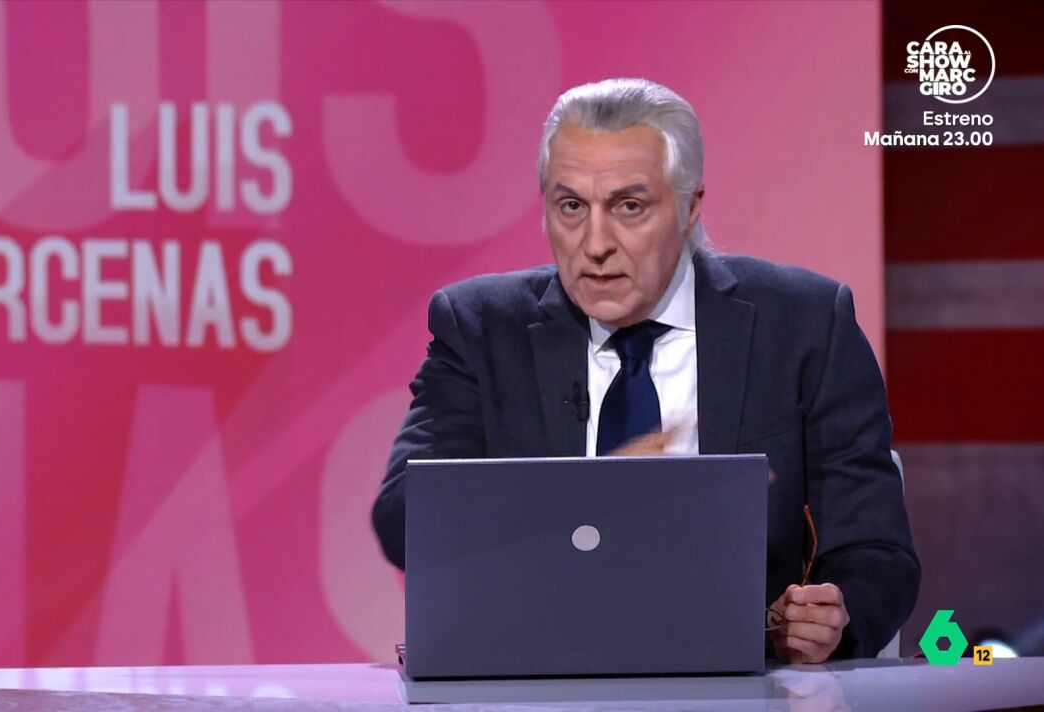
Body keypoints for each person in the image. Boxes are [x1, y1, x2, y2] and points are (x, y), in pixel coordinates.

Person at [370, 78, 920, 663]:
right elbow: (405, 516)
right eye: (571, 206)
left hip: (744, 681)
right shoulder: (481, 329)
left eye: (629, 206)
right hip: (535, 677)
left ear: (690, 207)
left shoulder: (803, 325)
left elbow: (877, 552)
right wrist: (595, 499)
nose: (595, 244)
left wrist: (830, 619)